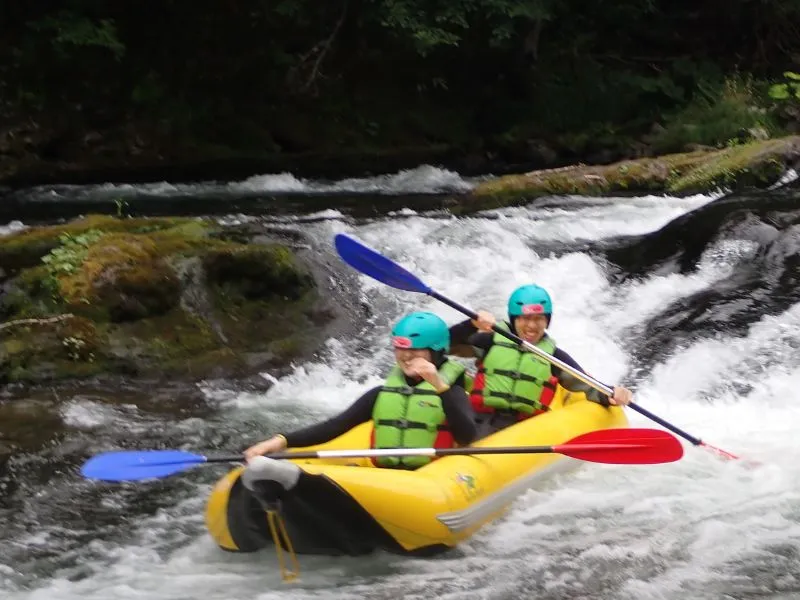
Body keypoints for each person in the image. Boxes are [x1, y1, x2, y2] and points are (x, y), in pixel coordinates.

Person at [244, 311, 478, 469]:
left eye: (415, 351)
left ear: (435, 352)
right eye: (399, 349)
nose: (405, 357)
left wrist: (438, 385)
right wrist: (280, 441)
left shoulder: (452, 392)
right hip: (384, 476)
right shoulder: (380, 395)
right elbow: (335, 426)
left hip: (431, 477)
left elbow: (466, 436)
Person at [448, 284, 633, 436]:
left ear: (547, 321)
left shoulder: (553, 356)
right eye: (524, 318)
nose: (531, 325)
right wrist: (470, 326)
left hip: (522, 430)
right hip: (478, 420)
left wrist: (613, 393)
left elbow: (589, 387)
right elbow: (445, 346)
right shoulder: (489, 341)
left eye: (539, 319)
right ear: (513, 319)